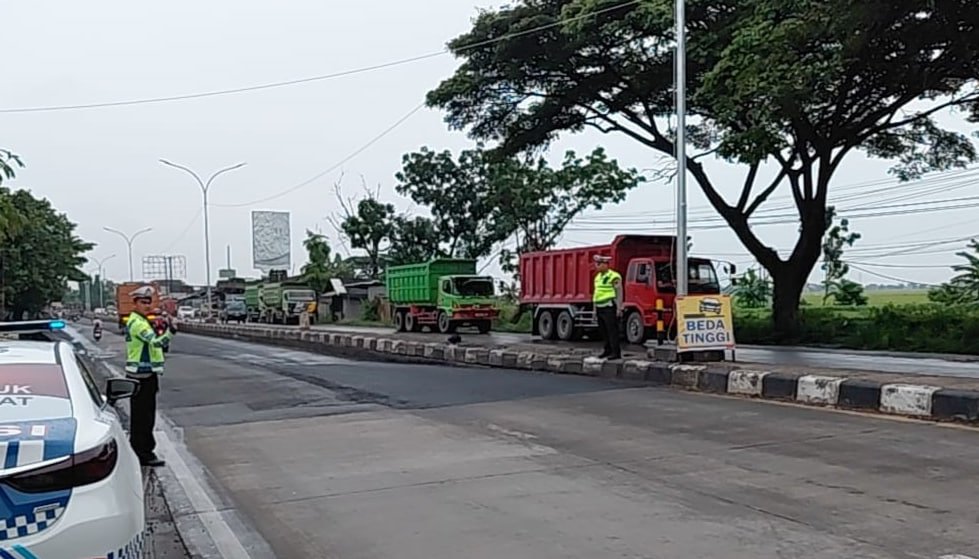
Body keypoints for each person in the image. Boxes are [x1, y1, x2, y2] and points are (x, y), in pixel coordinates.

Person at [125, 285, 176, 467]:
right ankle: (144, 453)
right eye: (143, 302)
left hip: (144, 374)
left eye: (148, 302)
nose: (147, 305)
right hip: (141, 376)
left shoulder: (140, 320)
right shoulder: (138, 324)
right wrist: (171, 331)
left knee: (143, 416)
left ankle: (141, 450)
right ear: (135, 303)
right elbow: (156, 342)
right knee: (143, 418)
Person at [593, 254, 623, 360]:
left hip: (609, 306)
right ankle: (607, 350)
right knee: (603, 330)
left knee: (612, 330)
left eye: (599, 264)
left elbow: (618, 292)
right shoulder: (597, 277)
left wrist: (619, 307)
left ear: (605, 264)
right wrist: (594, 310)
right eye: (596, 264)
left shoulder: (614, 276)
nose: (596, 266)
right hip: (599, 306)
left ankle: (615, 352)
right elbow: (596, 293)